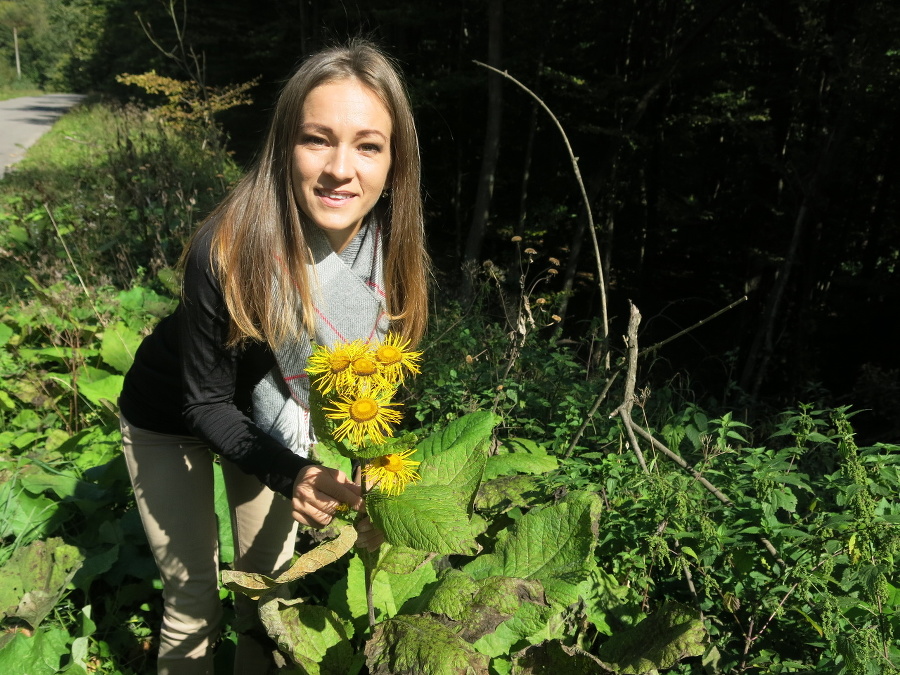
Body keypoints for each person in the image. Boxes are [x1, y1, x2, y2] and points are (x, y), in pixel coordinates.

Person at [118, 39, 429, 675]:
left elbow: (380, 388)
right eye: (318, 139)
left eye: (368, 145)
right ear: (284, 147)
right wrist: (294, 475)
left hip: (267, 426)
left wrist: (374, 479)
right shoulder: (228, 247)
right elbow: (203, 399)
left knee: (268, 593)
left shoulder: (390, 261)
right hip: (170, 415)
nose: (341, 168)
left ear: (395, 163)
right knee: (193, 595)